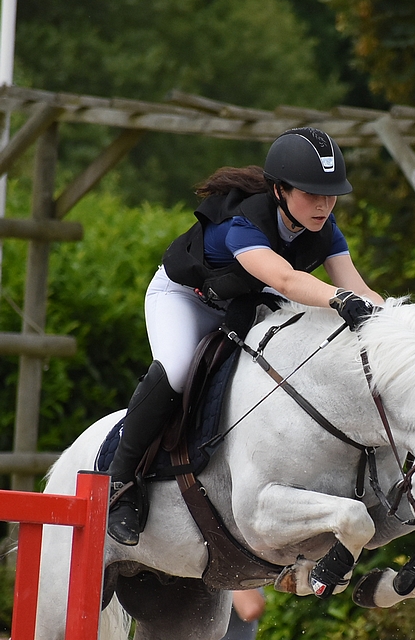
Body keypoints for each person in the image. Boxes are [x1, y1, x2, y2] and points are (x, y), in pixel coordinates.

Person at [107, 126, 383, 545]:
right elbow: (287, 281)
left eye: (331, 194)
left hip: (246, 302)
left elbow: (359, 288)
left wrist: (395, 321)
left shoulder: (326, 229)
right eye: (312, 193)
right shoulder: (242, 224)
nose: (324, 205)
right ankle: (120, 483)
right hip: (185, 298)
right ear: (279, 191)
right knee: (178, 369)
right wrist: (341, 299)